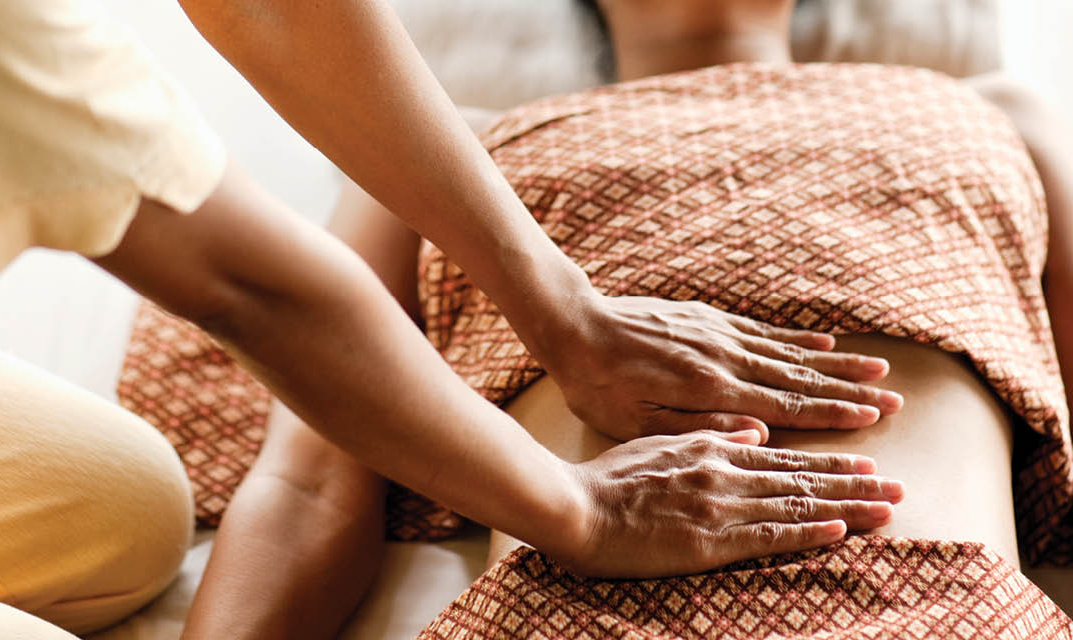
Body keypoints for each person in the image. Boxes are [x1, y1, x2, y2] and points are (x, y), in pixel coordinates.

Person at [0, 0, 905, 638]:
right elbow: (288, 407)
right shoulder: (469, 149)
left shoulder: (976, 108)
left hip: (907, 587)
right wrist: (579, 505)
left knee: (124, 511)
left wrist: (560, 307)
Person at [321, 0, 1073, 636]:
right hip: (567, 610)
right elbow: (312, 481)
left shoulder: (1000, 108)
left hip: (938, 607)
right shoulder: (439, 148)